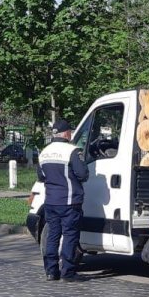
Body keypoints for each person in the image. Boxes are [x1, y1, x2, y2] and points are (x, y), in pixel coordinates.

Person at [37, 119, 89, 282]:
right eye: (70, 132)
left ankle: (51, 272)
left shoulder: (44, 152)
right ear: (66, 133)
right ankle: (68, 272)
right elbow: (83, 175)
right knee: (69, 235)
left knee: (53, 235)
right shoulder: (72, 151)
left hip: (51, 201)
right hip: (69, 201)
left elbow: (41, 176)